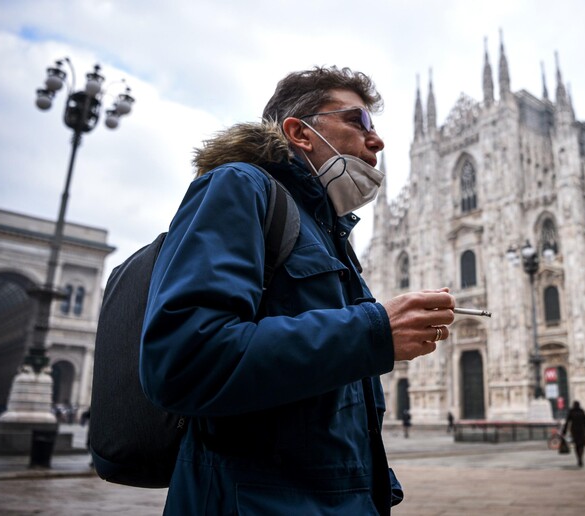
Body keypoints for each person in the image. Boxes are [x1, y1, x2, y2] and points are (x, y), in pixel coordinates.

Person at [139, 66, 455, 515]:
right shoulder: (239, 187)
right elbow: (185, 358)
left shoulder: (331, 234)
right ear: (300, 133)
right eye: (358, 121)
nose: (378, 141)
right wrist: (373, 332)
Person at [562, 401, 585, 467]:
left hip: (574, 431)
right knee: (582, 445)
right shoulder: (582, 412)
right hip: (582, 430)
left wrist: (564, 431)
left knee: (577, 445)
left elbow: (567, 422)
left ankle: (578, 458)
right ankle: (581, 457)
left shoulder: (571, 412)